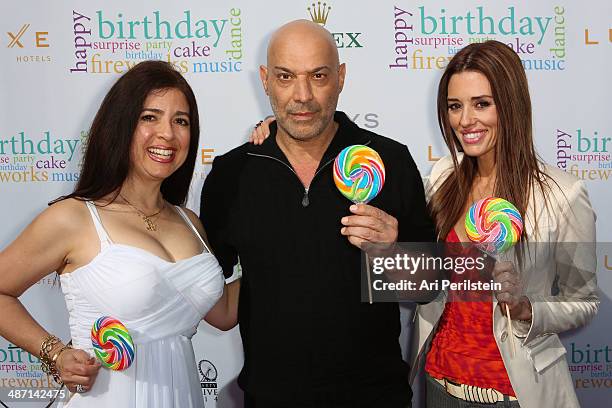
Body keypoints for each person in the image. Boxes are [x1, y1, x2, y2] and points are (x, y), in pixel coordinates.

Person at [200, 20, 435, 407]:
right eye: (286, 76)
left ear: (341, 77)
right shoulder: (232, 173)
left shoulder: (389, 159)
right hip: (269, 398)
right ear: (265, 80)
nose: (302, 95)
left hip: (376, 398)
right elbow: (209, 290)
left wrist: (393, 253)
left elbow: (429, 287)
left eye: (319, 76)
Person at [0, 60, 239, 407]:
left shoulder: (190, 222)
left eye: (181, 121)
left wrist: (285, 237)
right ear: (121, 125)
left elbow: (225, 313)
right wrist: (54, 352)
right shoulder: (75, 218)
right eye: (149, 117)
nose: (168, 134)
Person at [409, 41, 598, 408]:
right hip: (440, 383)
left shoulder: (563, 194)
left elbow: (583, 300)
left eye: (482, 104)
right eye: (454, 106)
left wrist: (526, 306)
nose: (465, 120)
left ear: (511, 105)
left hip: (513, 393)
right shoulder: (441, 178)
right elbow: (424, 276)